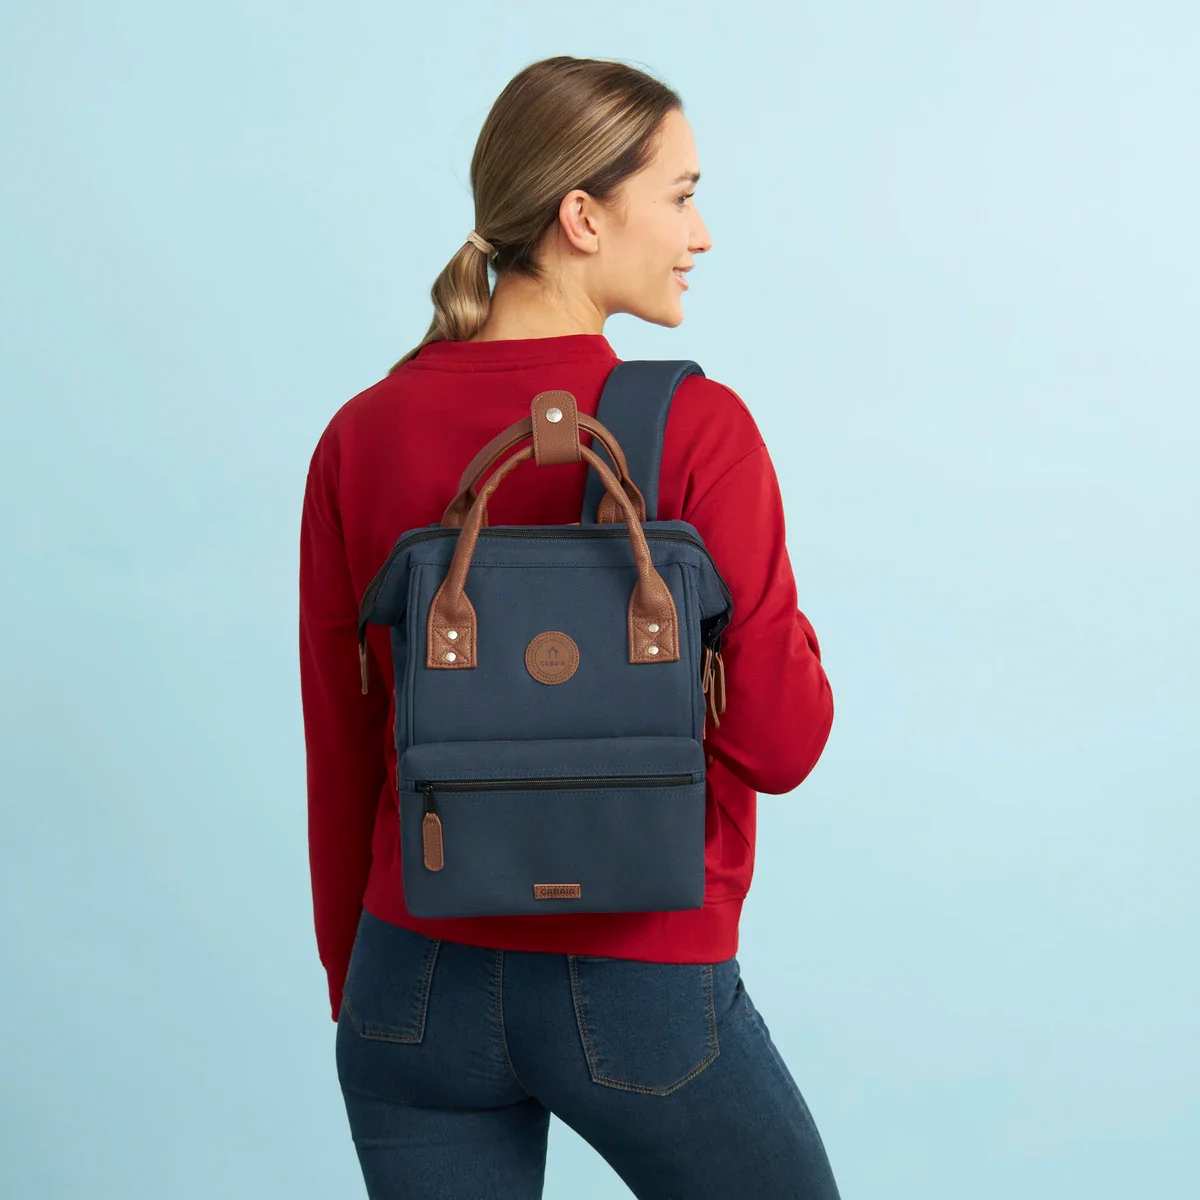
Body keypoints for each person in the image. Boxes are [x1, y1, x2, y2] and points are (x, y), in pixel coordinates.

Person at [299, 53, 840, 1200]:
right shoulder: (697, 430)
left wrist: (368, 990)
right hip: (640, 984)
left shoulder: (361, 433)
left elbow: (343, 748)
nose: (701, 235)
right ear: (583, 217)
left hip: (410, 977)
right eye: (682, 196)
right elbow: (783, 743)